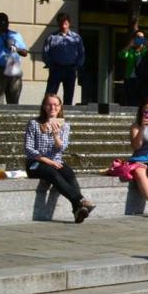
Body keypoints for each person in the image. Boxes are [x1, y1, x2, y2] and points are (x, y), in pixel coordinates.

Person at [24, 94, 95, 222]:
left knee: (69, 174)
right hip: (36, 162)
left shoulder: (65, 125)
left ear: (60, 107)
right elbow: (28, 149)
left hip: (55, 161)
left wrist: (56, 136)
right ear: (44, 106)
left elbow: (62, 149)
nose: (53, 107)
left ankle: (77, 210)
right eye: (49, 104)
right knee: (53, 173)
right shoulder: (34, 123)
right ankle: (81, 201)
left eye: (56, 105)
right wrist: (47, 161)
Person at [0, 13, 30, 104]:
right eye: (0, 22)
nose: (3, 24)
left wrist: (15, 47)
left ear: (8, 22)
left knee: (13, 98)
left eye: (5, 21)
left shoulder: (15, 35)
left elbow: (24, 53)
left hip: (13, 66)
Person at [42, 12, 85, 106]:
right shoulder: (51, 37)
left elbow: (81, 54)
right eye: (61, 23)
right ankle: (47, 115)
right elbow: (45, 53)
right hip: (56, 68)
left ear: (69, 23)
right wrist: (51, 65)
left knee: (69, 95)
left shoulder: (76, 38)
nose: (63, 25)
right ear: (58, 23)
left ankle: (66, 116)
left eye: (65, 23)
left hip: (70, 69)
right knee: (50, 94)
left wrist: (77, 66)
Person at [118, 29, 148, 106]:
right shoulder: (130, 51)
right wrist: (130, 45)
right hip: (130, 79)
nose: (140, 39)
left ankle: (144, 117)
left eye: (142, 38)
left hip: (143, 79)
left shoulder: (146, 51)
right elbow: (121, 55)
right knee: (130, 100)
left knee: (144, 101)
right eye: (137, 37)